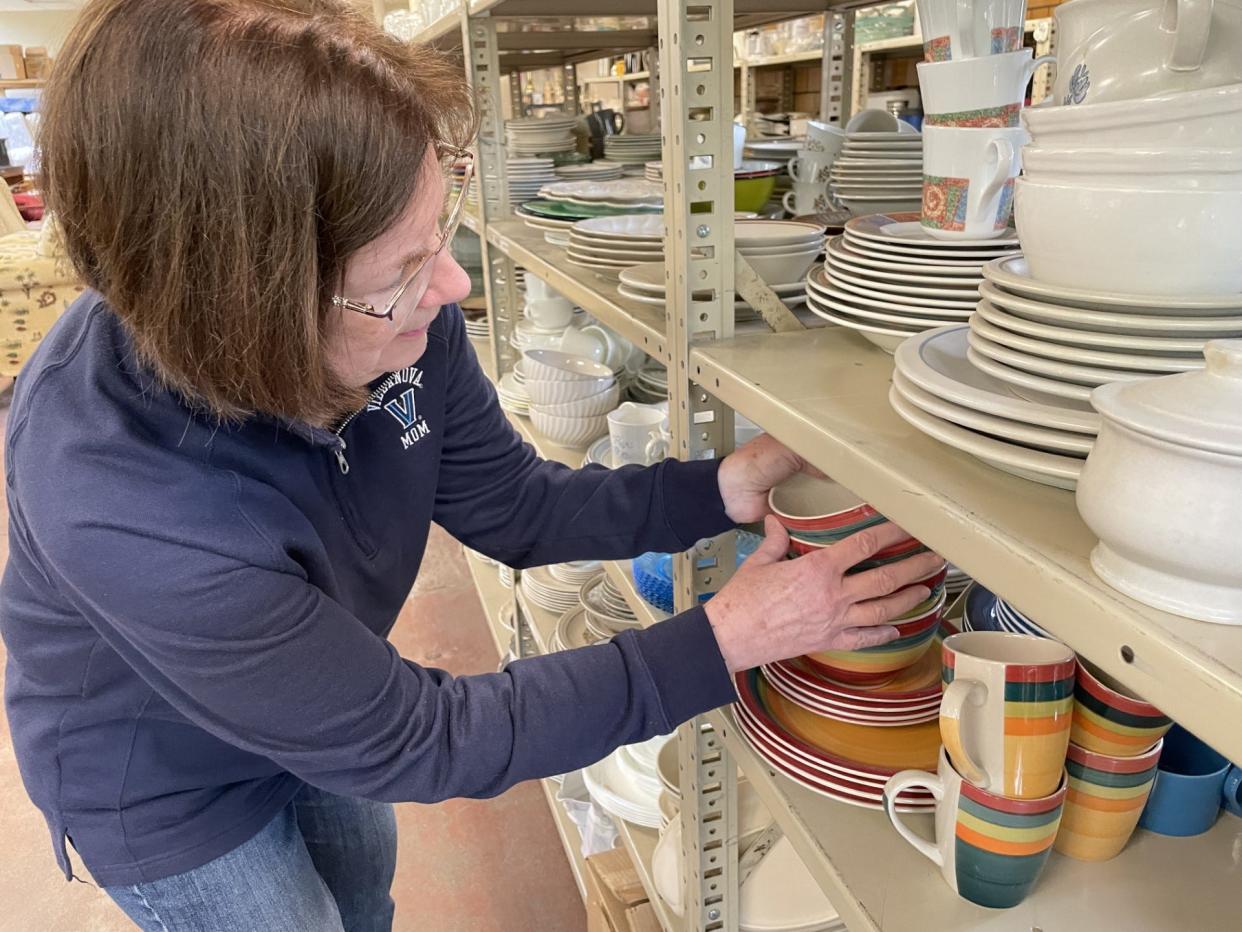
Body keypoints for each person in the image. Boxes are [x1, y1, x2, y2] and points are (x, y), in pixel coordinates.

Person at [0, 2, 943, 930]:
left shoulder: (391, 309)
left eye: (435, 235)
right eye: (401, 275)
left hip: (317, 669)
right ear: (254, 312)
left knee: (364, 902)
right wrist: (725, 639)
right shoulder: (119, 498)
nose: (448, 288)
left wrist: (718, 491)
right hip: (164, 776)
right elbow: (421, 736)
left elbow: (514, 505)